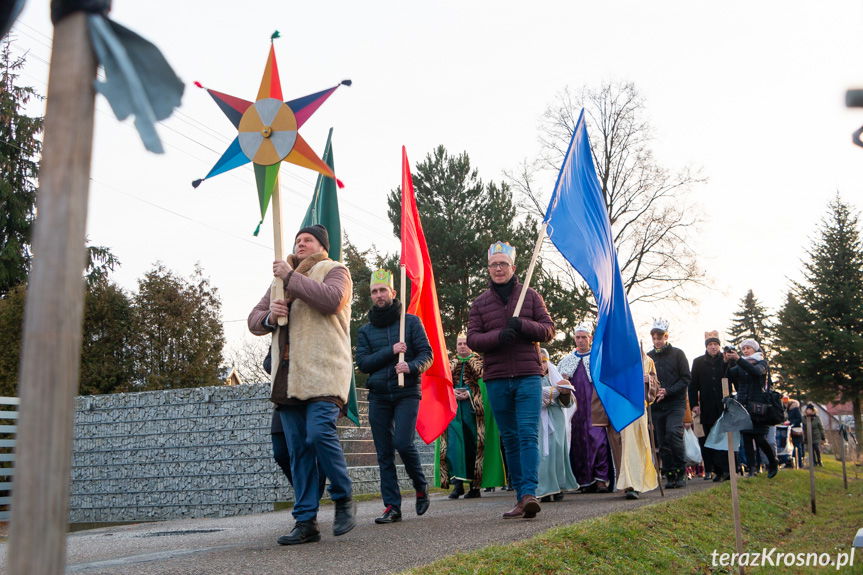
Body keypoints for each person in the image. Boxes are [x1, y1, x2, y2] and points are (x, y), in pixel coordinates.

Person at [248, 224, 356, 545]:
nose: (301, 244)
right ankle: (306, 521)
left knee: (319, 431)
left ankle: (343, 494)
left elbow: (333, 300)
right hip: (287, 376)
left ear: (321, 245)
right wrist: (270, 314)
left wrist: (292, 278)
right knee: (297, 451)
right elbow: (254, 318)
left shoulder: (335, 270)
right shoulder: (279, 282)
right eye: (297, 240)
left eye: (307, 240)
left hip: (323, 371)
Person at [467, 240, 555, 519]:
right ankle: (520, 497)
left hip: (528, 375)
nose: (498, 269)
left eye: (503, 264)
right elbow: (472, 338)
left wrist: (524, 326)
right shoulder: (480, 303)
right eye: (494, 265)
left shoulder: (530, 296)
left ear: (513, 267)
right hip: (496, 377)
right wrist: (498, 337)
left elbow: (548, 330)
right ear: (488, 269)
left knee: (528, 433)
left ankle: (530, 492)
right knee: (510, 438)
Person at [355, 269, 433, 524]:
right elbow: (364, 364)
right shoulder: (365, 331)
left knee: (402, 443)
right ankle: (392, 506)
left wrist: (410, 366)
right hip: (378, 395)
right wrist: (391, 351)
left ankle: (420, 487)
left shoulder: (409, 322)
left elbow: (426, 354)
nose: (378, 295)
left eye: (382, 290)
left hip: (406, 392)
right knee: (383, 452)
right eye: (374, 292)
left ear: (393, 292)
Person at [437, 334, 505, 499]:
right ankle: (457, 485)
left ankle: (474, 487)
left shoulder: (480, 363)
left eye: (465, 343)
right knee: (453, 448)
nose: (461, 346)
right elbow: (442, 384)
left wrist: (469, 393)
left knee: (473, 447)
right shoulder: (450, 364)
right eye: (459, 343)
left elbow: (487, 386)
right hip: (453, 412)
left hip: (474, 413)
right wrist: (451, 392)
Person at [557, 324, 620, 493]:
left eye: (584, 337)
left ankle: (601, 479)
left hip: (595, 408)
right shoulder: (566, 361)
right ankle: (584, 481)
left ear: (590, 339)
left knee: (598, 441)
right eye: (578, 337)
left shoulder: (599, 358)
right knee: (579, 444)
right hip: (576, 412)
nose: (580, 340)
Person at [647, 319, 691, 489]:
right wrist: (651, 388)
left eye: (660, 337)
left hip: (675, 403)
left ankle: (680, 470)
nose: (657, 341)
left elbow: (686, 378)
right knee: (662, 440)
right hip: (657, 405)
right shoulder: (649, 356)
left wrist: (668, 391)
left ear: (666, 337)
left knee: (673, 433)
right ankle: (669, 472)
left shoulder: (678, 354)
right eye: (654, 338)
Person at [727, 338, 779, 478]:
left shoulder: (762, 363)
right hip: (744, 406)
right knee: (747, 438)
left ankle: (772, 462)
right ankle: (752, 468)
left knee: (760, 438)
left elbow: (755, 372)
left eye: (748, 348)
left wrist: (738, 360)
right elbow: (729, 375)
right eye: (743, 349)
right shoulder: (740, 364)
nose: (745, 351)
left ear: (755, 349)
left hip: (759, 407)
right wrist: (727, 361)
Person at [616, 349, 660, 500]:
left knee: (642, 444)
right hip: (624, 408)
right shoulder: (621, 361)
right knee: (628, 445)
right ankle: (629, 484)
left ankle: (639, 482)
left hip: (640, 408)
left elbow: (656, 385)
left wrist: (650, 381)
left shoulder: (648, 361)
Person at [536, 348, 578, 502]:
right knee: (542, 453)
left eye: (543, 362)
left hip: (556, 418)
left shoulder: (556, 377)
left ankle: (559, 486)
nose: (541, 365)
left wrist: (564, 393)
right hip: (539, 419)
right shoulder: (531, 379)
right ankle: (545, 489)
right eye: (537, 362)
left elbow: (568, 403)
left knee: (557, 450)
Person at [689, 331, 731, 482]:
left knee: (725, 437)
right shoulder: (698, 362)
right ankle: (715, 471)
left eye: (715, 344)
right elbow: (693, 385)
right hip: (706, 407)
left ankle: (727, 469)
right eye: (710, 345)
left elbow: (732, 378)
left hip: (724, 406)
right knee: (709, 438)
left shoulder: (725, 360)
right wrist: (694, 404)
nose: (713, 347)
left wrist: (728, 362)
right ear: (706, 347)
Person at [786, 398, 804, 468]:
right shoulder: (789, 410)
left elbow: (799, 419)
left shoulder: (795, 409)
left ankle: (798, 463)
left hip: (795, 430)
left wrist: (791, 422)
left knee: (797, 446)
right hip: (791, 429)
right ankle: (794, 462)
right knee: (795, 447)